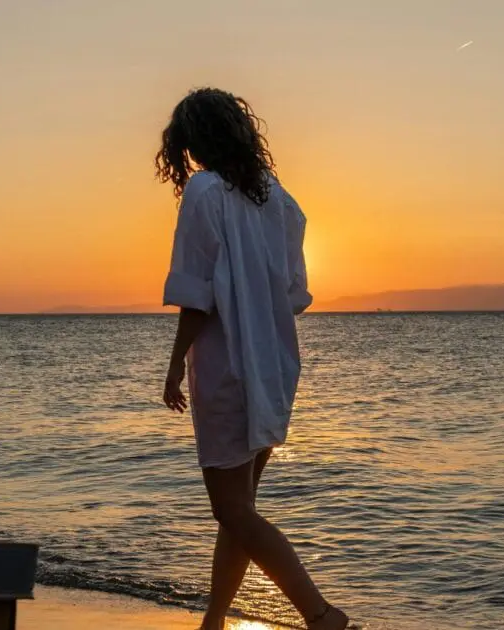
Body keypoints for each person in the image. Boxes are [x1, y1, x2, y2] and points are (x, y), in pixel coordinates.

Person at [157, 87, 349, 630]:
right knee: (239, 509)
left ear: (192, 141)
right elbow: (294, 293)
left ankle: (320, 614)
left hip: (227, 365)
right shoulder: (280, 200)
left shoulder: (204, 191)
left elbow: (197, 292)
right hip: (274, 364)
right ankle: (213, 622)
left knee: (231, 509)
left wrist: (175, 364)